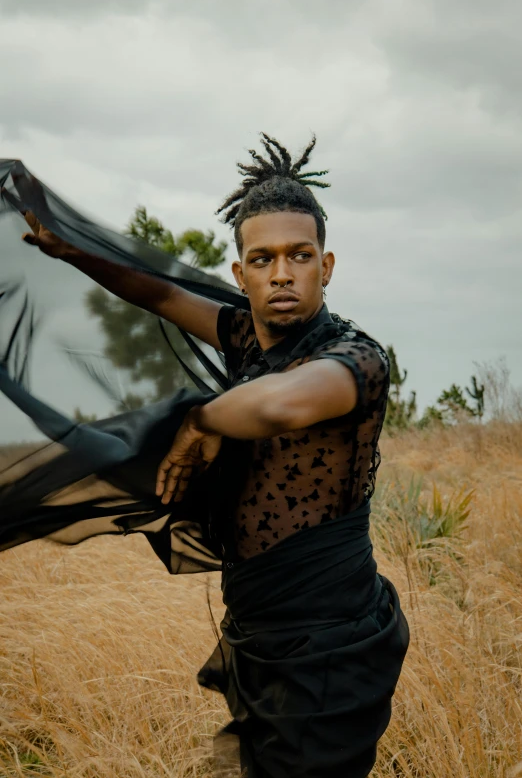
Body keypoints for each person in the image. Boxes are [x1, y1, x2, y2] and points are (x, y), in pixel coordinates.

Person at [6, 134, 409, 777]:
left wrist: (201, 419)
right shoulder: (246, 333)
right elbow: (160, 296)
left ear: (325, 267)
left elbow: (281, 406)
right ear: (240, 273)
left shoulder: (356, 360)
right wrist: (74, 252)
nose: (282, 273)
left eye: (299, 256)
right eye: (264, 258)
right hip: (259, 632)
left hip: (332, 645)